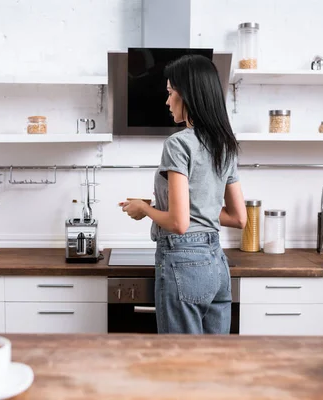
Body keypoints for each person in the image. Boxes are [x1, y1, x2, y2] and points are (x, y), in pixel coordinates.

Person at [120, 54, 247, 334]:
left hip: (183, 262)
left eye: (170, 92)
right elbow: (239, 218)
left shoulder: (178, 144)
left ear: (186, 94)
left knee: (181, 361)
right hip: (216, 264)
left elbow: (179, 224)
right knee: (212, 361)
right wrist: (188, 207)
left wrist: (144, 209)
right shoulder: (225, 144)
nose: (167, 101)